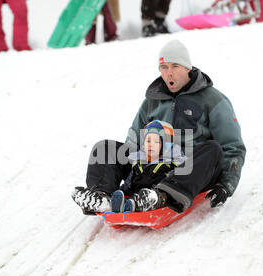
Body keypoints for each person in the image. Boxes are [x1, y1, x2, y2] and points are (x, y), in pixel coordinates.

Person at [72, 39, 246, 215]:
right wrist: (136, 169)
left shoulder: (213, 100)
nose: (169, 73)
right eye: (164, 67)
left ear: (187, 67)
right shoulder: (152, 101)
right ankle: (101, 197)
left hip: (188, 170)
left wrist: (226, 184)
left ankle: (162, 196)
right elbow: (133, 141)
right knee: (105, 148)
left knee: (213, 149)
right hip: (152, 166)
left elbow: (233, 147)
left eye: (175, 66)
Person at [110, 120, 186, 213]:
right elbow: (129, 183)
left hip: (157, 198)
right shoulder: (139, 163)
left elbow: (175, 184)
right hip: (137, 195)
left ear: (166, 145)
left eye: (156, 141)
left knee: (146, 198)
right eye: (148, 140)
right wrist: (122, 191)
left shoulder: (170, 164)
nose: (151, 145)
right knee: (130, 196)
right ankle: (124, 205)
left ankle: (133, 205)